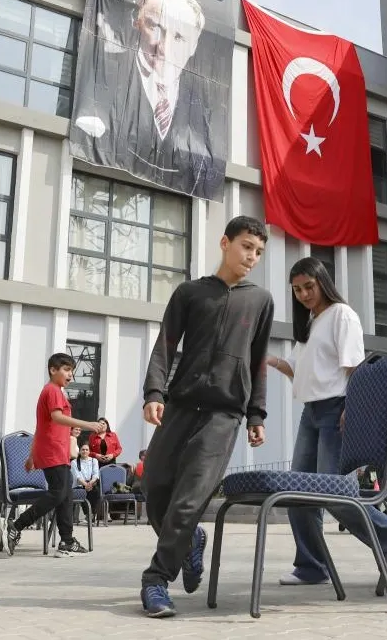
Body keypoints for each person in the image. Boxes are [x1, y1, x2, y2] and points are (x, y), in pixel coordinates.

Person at [138, 216, 274, 618]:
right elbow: (165, 345)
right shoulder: (190, 292)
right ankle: (190, 540)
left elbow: (258, 360)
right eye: (247, 246)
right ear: (225, 243)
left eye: (259, 252)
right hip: (180, 405)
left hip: (224, 413)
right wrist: (154, 392)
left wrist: (256, 414)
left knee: (190, 498)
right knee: (154, 486)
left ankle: (156, 579)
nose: (252, 257)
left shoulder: (260, 300)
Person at [266, 256, 387, 586]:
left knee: (332, 492)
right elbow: (297, 369)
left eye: (309, 286)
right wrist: (269, 360)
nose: (304, 294)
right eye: (297, 290)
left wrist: (352, 407)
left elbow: (355, 368)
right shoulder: (311, 323)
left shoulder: (341, 315)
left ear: (323, 282)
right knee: (298, 491)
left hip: (336, 410)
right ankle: (311, 566)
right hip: (311, 412)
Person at [72, 0, 223, 200]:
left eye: (179, 37)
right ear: (136, 21)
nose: (164, 47)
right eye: (156, 27)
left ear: (194, 46)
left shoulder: (203, 110)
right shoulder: (103, 78)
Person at [2, 353, 105, 557]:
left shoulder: (54, 391)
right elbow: (56, 417)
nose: (70, 375)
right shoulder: (53, 390)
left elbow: (40, 427)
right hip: (53, 451)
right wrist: (89, 425)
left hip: (56, 452)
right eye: (66, 370)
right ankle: (17, 525)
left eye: (72, 371)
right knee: (58, 493)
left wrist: (32, 456)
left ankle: (66, 541)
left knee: (65, 495)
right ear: (53, 370)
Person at [72, 443, 102, 523]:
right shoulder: (74, 462)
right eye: (83, 449)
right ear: (79, 451)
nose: (85, 451)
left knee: (96, 491)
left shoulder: (94, 461)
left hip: (91, 483)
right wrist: (85, 485)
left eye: (86, 450)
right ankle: (88, 515)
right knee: (83, 491)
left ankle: (93, 514)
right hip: (79, 484)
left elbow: (96, 474)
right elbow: (77, 477)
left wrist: (90, 483)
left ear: (89, 452)